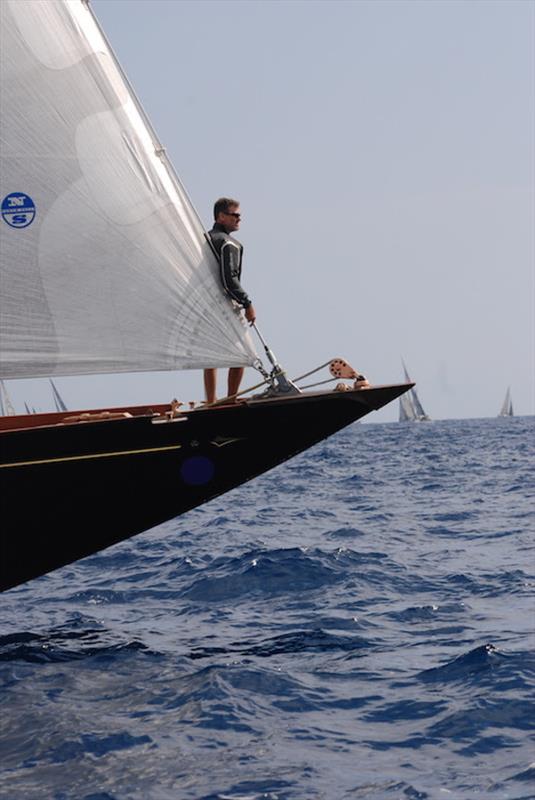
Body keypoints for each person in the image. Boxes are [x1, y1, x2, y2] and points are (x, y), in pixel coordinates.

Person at [204, 197, 256, 404]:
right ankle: (231, 398)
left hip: (206, 305)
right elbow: (229, 280)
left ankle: (210, 401)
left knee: (210, 355)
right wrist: (247, 303)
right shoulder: (229, 243)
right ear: (221, 216)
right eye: (235, 215)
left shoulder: (205, 239)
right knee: (243, 351)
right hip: (226, 304)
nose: (239, 219)